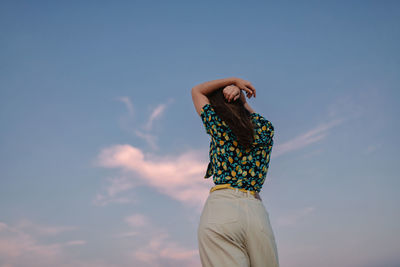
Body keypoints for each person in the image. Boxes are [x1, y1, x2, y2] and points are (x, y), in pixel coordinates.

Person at [191, 77, 279, 267]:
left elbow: (197, 90)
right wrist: (241, 98)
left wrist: (233, 80)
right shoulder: (265, 129)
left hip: (221, 208)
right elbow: (248, 111)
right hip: (256, 213)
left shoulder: (218, 125)